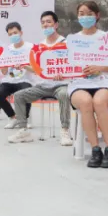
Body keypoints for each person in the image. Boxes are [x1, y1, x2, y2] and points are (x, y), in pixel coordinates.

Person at [8, 11, 73, 146]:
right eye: (43, 23)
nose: (45, 25)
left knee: (64, 94)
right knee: (18, 96)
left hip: (61, 84)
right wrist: (25, 66)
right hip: (42, 86)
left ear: (56, 24)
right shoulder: (40, 46)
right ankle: (23, 131)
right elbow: (38, 70)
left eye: (48, 22)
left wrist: (64, 73)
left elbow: (73, 66)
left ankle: (65, 130)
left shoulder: (66, 43)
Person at [67, 1, 108, 168]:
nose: (85, 17)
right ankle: (96, 149)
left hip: (103, 81)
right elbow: (64, 64)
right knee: (85, 102)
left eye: (89, 13)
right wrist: (60, 73)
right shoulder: (72, 40)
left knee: (99, 102)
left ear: (97, 16)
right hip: (78, 83)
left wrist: (101, 68)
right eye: (81, 14)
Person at [0, 22, 34, 129]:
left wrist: (24, 66)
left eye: (15, 33)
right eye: (10, 34)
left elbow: (35, 69)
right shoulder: (7, 49)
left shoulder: (30, 47)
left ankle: (24, 119)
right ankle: (13, 117)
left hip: (24, 80)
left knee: (25, 92)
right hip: (9, 80)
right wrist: (0, 63)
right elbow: (4, 72)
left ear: (21, 32)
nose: (13, 36)